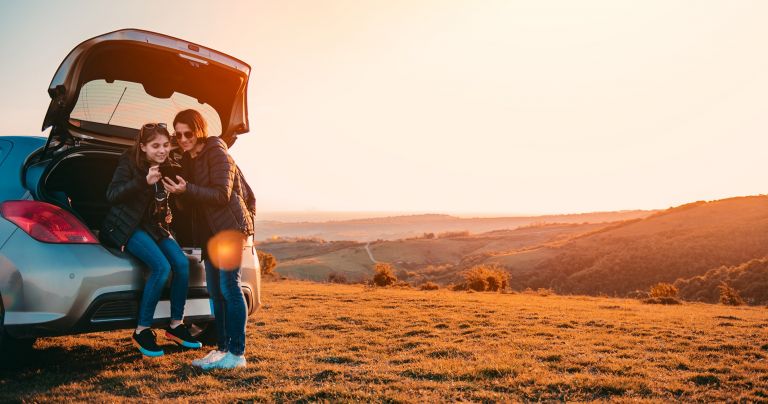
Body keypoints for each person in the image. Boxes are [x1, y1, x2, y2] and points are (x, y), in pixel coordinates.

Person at [162, 109, 255, 370]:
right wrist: (178, 194)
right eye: (178, 134)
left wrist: (187, 189)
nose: (183, 138)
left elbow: (221, 195)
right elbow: (192, 202)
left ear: (199, 130)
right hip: (211, 234)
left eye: (188, 133)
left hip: (228, 229)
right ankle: (222, 349)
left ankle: (237, 354)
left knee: (229, 288)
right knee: (215, 291)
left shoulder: (216, 151)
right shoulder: (190, 159)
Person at [102, 122, 202, 357]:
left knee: (181, 264)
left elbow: (161, 202)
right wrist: (142, 182)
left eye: (166, 145)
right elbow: (112, 195)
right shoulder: (129, 162)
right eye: (156, 145)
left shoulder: (167, 167)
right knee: (161, 267)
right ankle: (142, 330)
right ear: (143, 146)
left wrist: (172, 205)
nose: (162, 150)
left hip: (154, 227)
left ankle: (176, 325)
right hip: (125, 226)